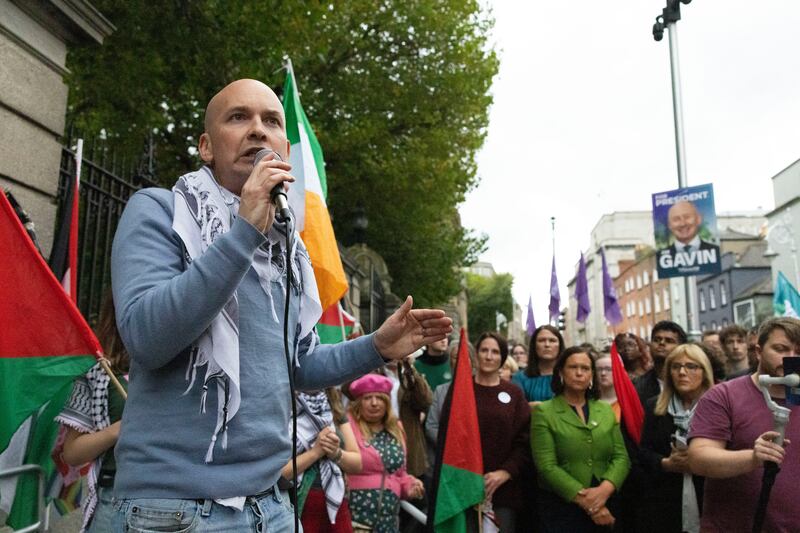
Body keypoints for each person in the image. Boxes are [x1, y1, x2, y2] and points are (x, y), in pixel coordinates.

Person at [109, 78, 452, 531]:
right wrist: (243, 232)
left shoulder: (287, 246)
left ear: (284, 152)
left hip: (270, 506)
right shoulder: (158, 210)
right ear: (207, 147)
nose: (257, 130)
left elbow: (298, 365)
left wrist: (377, 347)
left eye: (271, 121)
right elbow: (147, 340)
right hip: (172, 510)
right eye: (239, 117)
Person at [688, 317, 800, 532]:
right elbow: (698, 458)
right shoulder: (724, 395)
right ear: (758, 351)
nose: (791, 358)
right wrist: (752, 458)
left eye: (799, 351)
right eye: (781, 349)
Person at [531, 347, 630, 532]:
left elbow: (621, 457)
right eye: (573, 367)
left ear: (592, 375)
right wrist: (589, 503)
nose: (579, 373)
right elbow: (546, 466)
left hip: (607, 501)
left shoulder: (605, 410)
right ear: (561, 372)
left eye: (585, 368)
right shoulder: (544, 412)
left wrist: (605, 490)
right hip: (563, 506)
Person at [55, 293, 129, 533]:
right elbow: (73, 453)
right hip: (114, 500)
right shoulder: (101, 371)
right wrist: (116, 431)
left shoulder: (194, 367)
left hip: (176, 504)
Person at [637, 344, 713, 533]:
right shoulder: (654, 406)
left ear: (704, 371)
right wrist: (665, 463)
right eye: (675, 366)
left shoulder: (718, 407)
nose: (682, 372)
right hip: (665, 500)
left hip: (709, 495)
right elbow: (642, 452)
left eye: (691, 366)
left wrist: (700, 459)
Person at [468, 332, 531, 532]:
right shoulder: (461, 389)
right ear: (476, 354)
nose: (488, 356)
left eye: (495, 352)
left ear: (503, 357)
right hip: (465, 485)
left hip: (503, 489)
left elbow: (525, 440)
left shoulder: (514, 394)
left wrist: (505, 472)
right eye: (484, 350)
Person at [347, 374, 424, 533]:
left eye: (380, 398)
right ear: (358, 403)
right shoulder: (347, 427)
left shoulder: (397, 428)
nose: (374, 403)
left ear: (387, 402)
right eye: (368, 398)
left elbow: (400, 474)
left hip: (389, 520)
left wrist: (409, 486)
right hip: (354, 517)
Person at [281, 389, 361, 532]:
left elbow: (357, 464)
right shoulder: (283, 404)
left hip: (337, 503)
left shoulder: (332, 403)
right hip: (299, 505)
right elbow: (279, 475)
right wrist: (315, 452)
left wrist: (335, 453)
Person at [656, 200, 720, 276]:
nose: (683, 224)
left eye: (687, 217)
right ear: (669, 225)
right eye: (676, 219)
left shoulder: (714, 252)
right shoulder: (661, 258)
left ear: (698, 219)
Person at [634, 321, 687, 406]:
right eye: (656, 340)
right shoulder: (636, 386)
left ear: (681, 347)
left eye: (669, 341)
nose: (661, 343)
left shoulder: (690, 382)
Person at [512, 325, 564, 407]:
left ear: (560, 345)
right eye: (541, 340)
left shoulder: (568, 376)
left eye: (552, 340)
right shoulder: (520, 378)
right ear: (534, 345)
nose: (547, 345)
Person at [595, 355, 620, 422]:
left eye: (609, 369)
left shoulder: (625, 402)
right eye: (599, 369)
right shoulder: (588, 400)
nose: (603, 373)